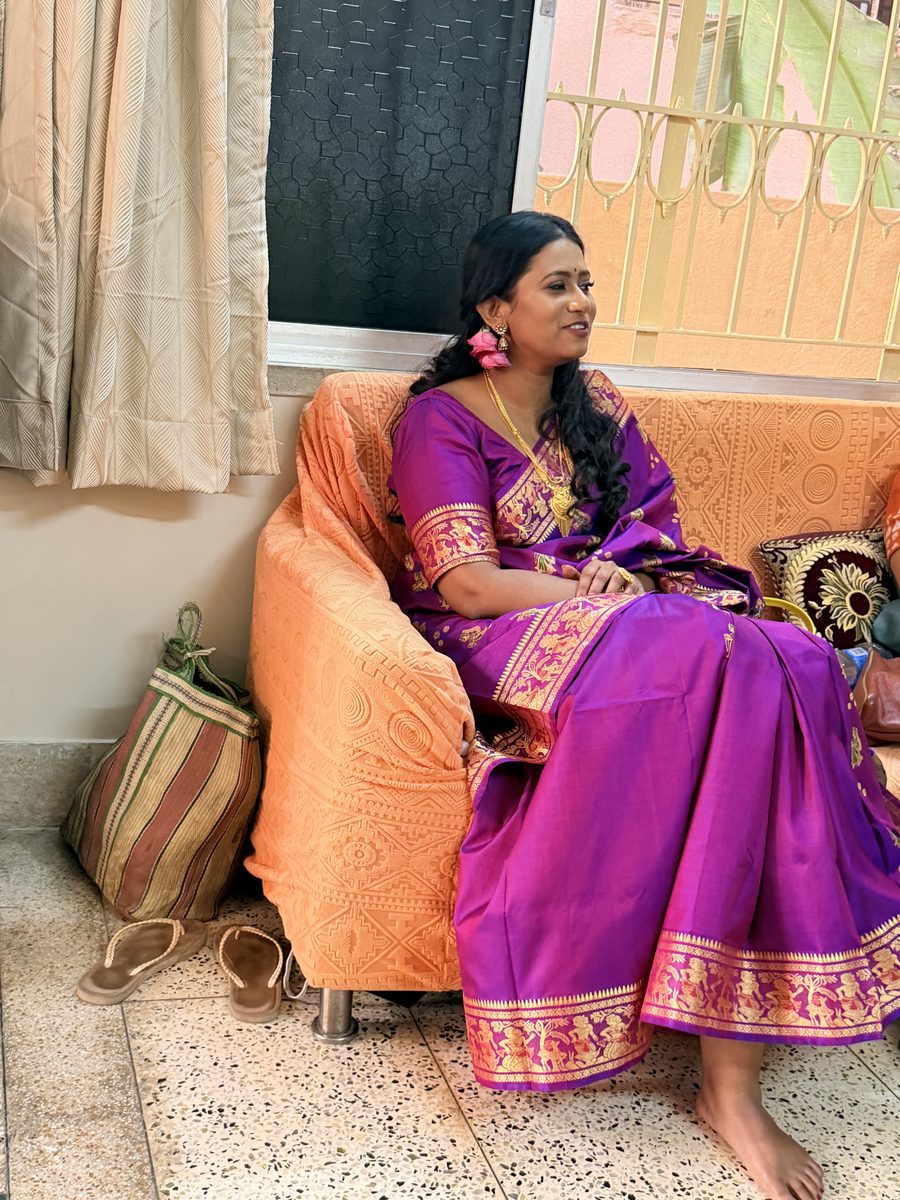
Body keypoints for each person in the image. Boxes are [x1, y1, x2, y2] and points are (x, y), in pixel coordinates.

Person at [387, 211, 900, 1200]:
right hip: (508, 633)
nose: (582, 303)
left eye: (586, 282)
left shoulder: (599, 405)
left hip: (626, 618)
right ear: (495, 307)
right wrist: (589, 592)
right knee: (715, 655)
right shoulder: (439, 419)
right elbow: (464, 583)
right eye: (556, 286)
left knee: (792, 659)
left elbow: (655, 532)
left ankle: (730, 1068)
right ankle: (732, 1088)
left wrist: (629, 582)